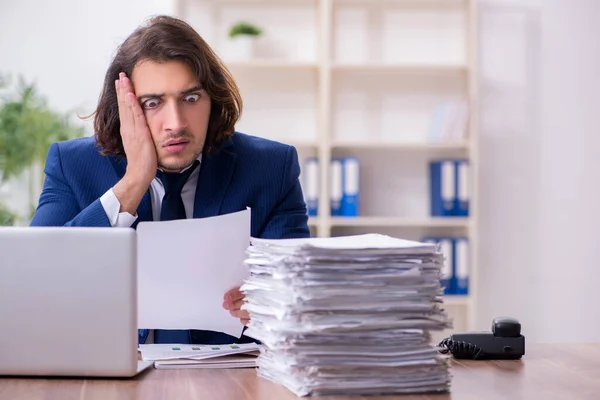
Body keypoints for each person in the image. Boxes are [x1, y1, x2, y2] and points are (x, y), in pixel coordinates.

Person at [30, 15, 311, 345]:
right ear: (124, 110)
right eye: (153, 103)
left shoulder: (271, 167)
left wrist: (271, 308)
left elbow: (299, 301)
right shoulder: (72, 165)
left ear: (213, 100)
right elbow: (36, 281)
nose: (175, 123)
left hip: (231, 382)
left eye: (191, 98)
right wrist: (134, 181)